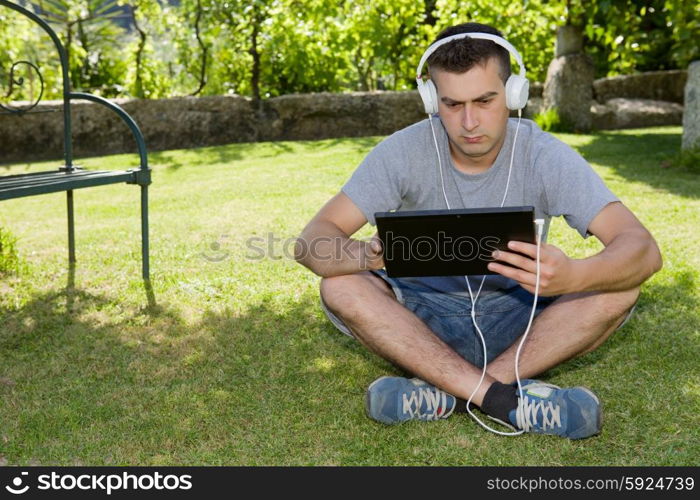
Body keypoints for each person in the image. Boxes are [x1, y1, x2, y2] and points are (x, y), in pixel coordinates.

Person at [294, 22, 662, 439]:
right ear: (431, 100)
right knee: (340, 287)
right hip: (423, 318)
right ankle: (505, 400)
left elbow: (642, 249)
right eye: (452, 104)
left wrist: (576, 275)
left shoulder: (545, 156)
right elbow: (311, 241)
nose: (470, 121)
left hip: (522, 320)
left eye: (486, 99)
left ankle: (450, 391)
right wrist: (368, 255)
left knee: (619, 286)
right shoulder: (403, 150)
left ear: (514, 93)